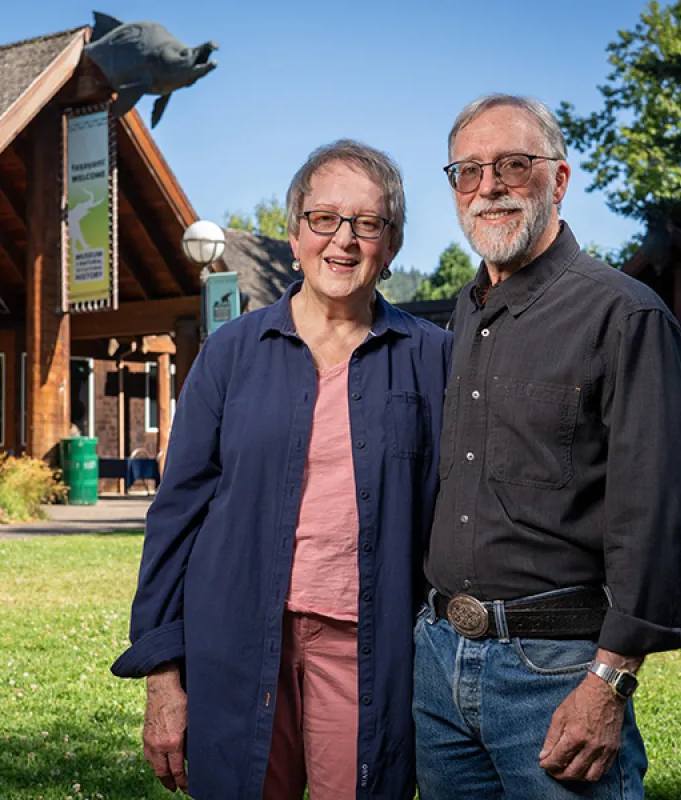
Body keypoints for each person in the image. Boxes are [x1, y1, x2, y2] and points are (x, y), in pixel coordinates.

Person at [112, 139, 451, 799]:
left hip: (368, 650)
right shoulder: (230, 354)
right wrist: (163, 679)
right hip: (235, 642)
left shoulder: (433, 357)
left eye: (367, 223)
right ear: (295, 234)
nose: (343, 240)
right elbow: (176, 517)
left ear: (392, 243)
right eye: (324, 219)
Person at [413, 94, 681, 799]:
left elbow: (655, 517)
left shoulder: (623, 315)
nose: (490, 187)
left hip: (555, 672)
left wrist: (609, 680)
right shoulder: (464, 313)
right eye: (468, 171)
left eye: (514, 164)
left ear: (559, 180)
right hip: (439, 664)